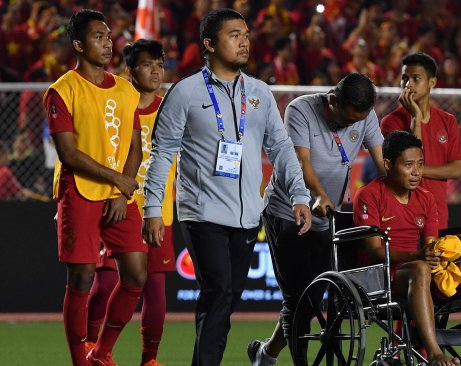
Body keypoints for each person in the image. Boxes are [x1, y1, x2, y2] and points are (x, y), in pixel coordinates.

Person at [141, 8, 312, 366]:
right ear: (209, 44)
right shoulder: (185, 93)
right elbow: (161, 155)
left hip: (249, 215)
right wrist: (153, 208)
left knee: (226, 299)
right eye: (234, 34)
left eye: (246, 34)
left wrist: (299, 194)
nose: (244, 41)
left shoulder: (260, 93)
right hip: (201, 212)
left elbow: (280, 147)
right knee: (219, 291)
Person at [247, 73, 385, 365]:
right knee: (298, 299)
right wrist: (319, 195)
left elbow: (382, 160)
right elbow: (301, 160)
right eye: (347, 119)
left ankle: (266, 353)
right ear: (332, 101)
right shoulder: (301, 109)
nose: (353, 125)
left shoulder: (364, 113)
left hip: (328, 218)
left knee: (313, 299)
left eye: (357, 121)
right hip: (288, 211)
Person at [354, 131, 461, 366]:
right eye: (408, 165)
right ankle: (434, 353)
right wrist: (419, 257)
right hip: (383, 274)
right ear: (387, 164)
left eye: (420, 164)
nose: (417, 172)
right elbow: (374, 251)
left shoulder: (426, 198)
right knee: (420, 268)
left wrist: (435, 254)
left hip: (419, 271)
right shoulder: (368, 195)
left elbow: (430, 244)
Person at [43, 9, 149, 365]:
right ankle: (78, 360)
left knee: (136, 274)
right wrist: (117, 179)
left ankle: (101, 353)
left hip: (118, 194)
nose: (108, 42)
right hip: (79, 190)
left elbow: (135, 147)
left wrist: (121, 191)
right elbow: (68, 153)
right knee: (82, 277)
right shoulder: (62, 91)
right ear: (78, 44)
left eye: (108, 35)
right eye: (98, 37)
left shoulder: (125, 89)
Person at [85, 39, 174, 366]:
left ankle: (149, 360)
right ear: (129, 70)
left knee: (156, 294)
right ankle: (92, 347)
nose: (156, 70)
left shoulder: (171, 110)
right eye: (148, 64)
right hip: (118, 208)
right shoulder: (115, 106)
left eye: (160, 64)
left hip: (158, 214)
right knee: (106, 283)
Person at [380, 52, 461, 231]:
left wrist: (419, 170)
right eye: (404, 78)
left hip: (437, 214)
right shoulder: (391, 122)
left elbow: (456, 168)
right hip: (403, 214)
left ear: (432, 82)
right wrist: (416, 119)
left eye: (416, 78)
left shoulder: (447, 121)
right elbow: (405, 168)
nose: (408, 84)